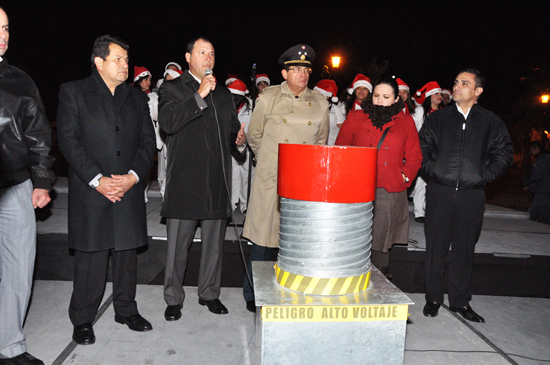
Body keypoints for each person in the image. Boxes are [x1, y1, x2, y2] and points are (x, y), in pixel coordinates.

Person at [57, 35, 157, 345]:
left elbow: (147, 144)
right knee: (92, 256)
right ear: (99, 62)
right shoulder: (74, 92)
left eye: (127, 60)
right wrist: (98, 180)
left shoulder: (137, 99)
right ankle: (83, 318)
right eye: (118, 59)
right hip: (91, 190)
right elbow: (69, 142)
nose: (125, 65)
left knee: (127, 253)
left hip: (126, 188)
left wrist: (132, 177)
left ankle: (126, 309)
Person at [158, 37, 246, 321]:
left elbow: (232, 132)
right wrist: (199, 95)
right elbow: (169, 123)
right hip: (185, 182)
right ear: (188, 57)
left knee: (213, 248)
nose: (208, 58)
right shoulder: (172, 88)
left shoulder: (223, 94)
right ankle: (173, 298)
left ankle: (209, 293)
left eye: (212, 53)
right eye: (202, 52)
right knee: (177, 248)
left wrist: (240, 141)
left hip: (216, 183)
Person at [420, 68, 513, 322]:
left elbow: (504, 154)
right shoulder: (437, 119)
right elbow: (422, 149)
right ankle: (433, 298)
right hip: (440, 191)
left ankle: (460, 302)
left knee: (464, 249)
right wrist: (435, 171)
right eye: (456, 82)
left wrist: (483, 176)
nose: (457, 86)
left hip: (472, 196)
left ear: (478, 91)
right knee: (435, 247)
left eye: (464, 83)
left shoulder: (490, 122)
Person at [242, 44, 330, 313]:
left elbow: (321, 143)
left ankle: (287, 291)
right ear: (285, 73)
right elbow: (254, 135)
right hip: (271, 178)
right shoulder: (268, 98)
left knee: (293, 242)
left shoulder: (320, 103)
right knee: (262, 240)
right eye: (296, 69)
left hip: (302, 180)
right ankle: (253, 293)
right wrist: (268, 160)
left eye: (306, 70)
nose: (302, 74)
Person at [0, 7, 55, 365]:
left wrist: (42, 181)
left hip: (15, 185)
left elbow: (38, 134)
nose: (3, 35)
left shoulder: (19, 79)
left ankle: (9, 346)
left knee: (19, 266)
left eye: (5, 28)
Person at [336, 76, 422, 276]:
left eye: (385, 96)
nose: (380, 100)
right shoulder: (357, 117)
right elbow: (340, 149)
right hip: (357, 186)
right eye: (376, 96)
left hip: (388, 186)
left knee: (381, 240)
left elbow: (415, 156)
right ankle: (350, 276)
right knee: (354, 236)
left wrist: (403, 176)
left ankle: (378, 281)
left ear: (395, 100)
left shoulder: (406, 121)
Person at [410, 81, 443, 223]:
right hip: (420, 150)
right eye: (436, 93)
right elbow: (411, 129)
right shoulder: (420, 111)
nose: (439, 96)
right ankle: (419, 212)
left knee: (431, 182)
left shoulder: (443, 113)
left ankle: (427, 209)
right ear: (429, 96)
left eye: (440, 93)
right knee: (421, 181)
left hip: (437, 152)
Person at [228, 79, 253, 213]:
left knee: (245, 177)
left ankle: (244, 205)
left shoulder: (250, 109)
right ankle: (232, 204)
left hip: (246, 148)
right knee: (233, 176)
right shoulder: (227, 108)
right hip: (232, 147)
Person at [134, 66, 159, 201]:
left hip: (148, 135)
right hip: (133, 136)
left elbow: (155, 117)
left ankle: (143, 194)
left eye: (149, 79)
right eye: (145, 79)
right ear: (139, 80)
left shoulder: (153, 97)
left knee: (146, 164)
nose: (148, 82)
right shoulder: (130, 94)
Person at [522, 141, 550, 223]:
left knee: (531, 212)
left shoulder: (543, 159)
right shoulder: (543, 158)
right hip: (544, 190)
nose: (530, 152)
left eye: (531, 150)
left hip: (543, 190)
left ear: (537, 149)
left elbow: (538, 176)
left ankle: (524, 226)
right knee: (546, 212)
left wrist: (526, 184)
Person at [314, 79, 345, 145]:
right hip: (314, 145)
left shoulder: (335, 108)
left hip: (332, 145)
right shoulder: (311, 107)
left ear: (328, 97)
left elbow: (343, 129)